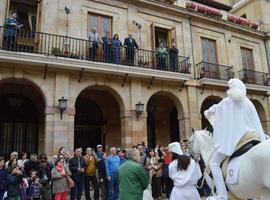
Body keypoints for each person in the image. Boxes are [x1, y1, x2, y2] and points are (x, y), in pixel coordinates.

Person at [204, 78, 266, 200]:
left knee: (213, 163)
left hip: (237, 140)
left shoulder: (228, 102)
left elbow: (213, 110)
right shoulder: (249, 102)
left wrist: (207, 112)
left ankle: (222, 195)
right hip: (253, 138)